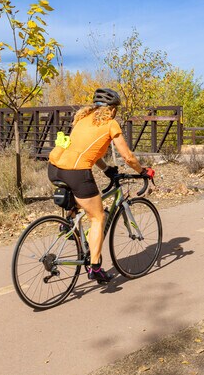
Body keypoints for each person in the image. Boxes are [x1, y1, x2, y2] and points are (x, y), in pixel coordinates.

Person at [48, 88, 155, 284]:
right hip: (76, 173)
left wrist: (106, 169)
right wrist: (143, 171)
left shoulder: (82, 119)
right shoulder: (110, 123)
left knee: (84, 204)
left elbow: (89, 151)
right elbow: (128, 157)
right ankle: (95, 267)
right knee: (98, 217)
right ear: (112, 110)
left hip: (55, 168)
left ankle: (70, 225)